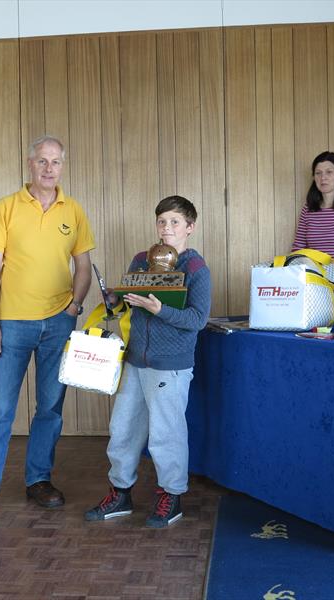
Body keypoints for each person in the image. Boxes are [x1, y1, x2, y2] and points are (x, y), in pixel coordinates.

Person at [0, 135, 95, 521]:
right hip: (12, 324)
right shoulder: (5, 208)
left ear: (62, 167)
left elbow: (83, 267)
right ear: (29, 164)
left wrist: (73, 307)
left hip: (58, 323)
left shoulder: (75, 211)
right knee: (0, 408)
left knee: (50, 408)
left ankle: (39, 481)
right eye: (42, 161)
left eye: (56, 162)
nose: (49, 168)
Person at [84, 196, 211, 528]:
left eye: (174, 222)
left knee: (166, 434)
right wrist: (115, 299)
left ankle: (172, 494)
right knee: (123, 429)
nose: (166, 228)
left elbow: (198, 319)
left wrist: (161, 310)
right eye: (161, 222)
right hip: (135, 359)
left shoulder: (195, 268)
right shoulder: (141, 260)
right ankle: (121, 492)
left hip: (170, 364)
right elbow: (130, 304)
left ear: (190, 227)